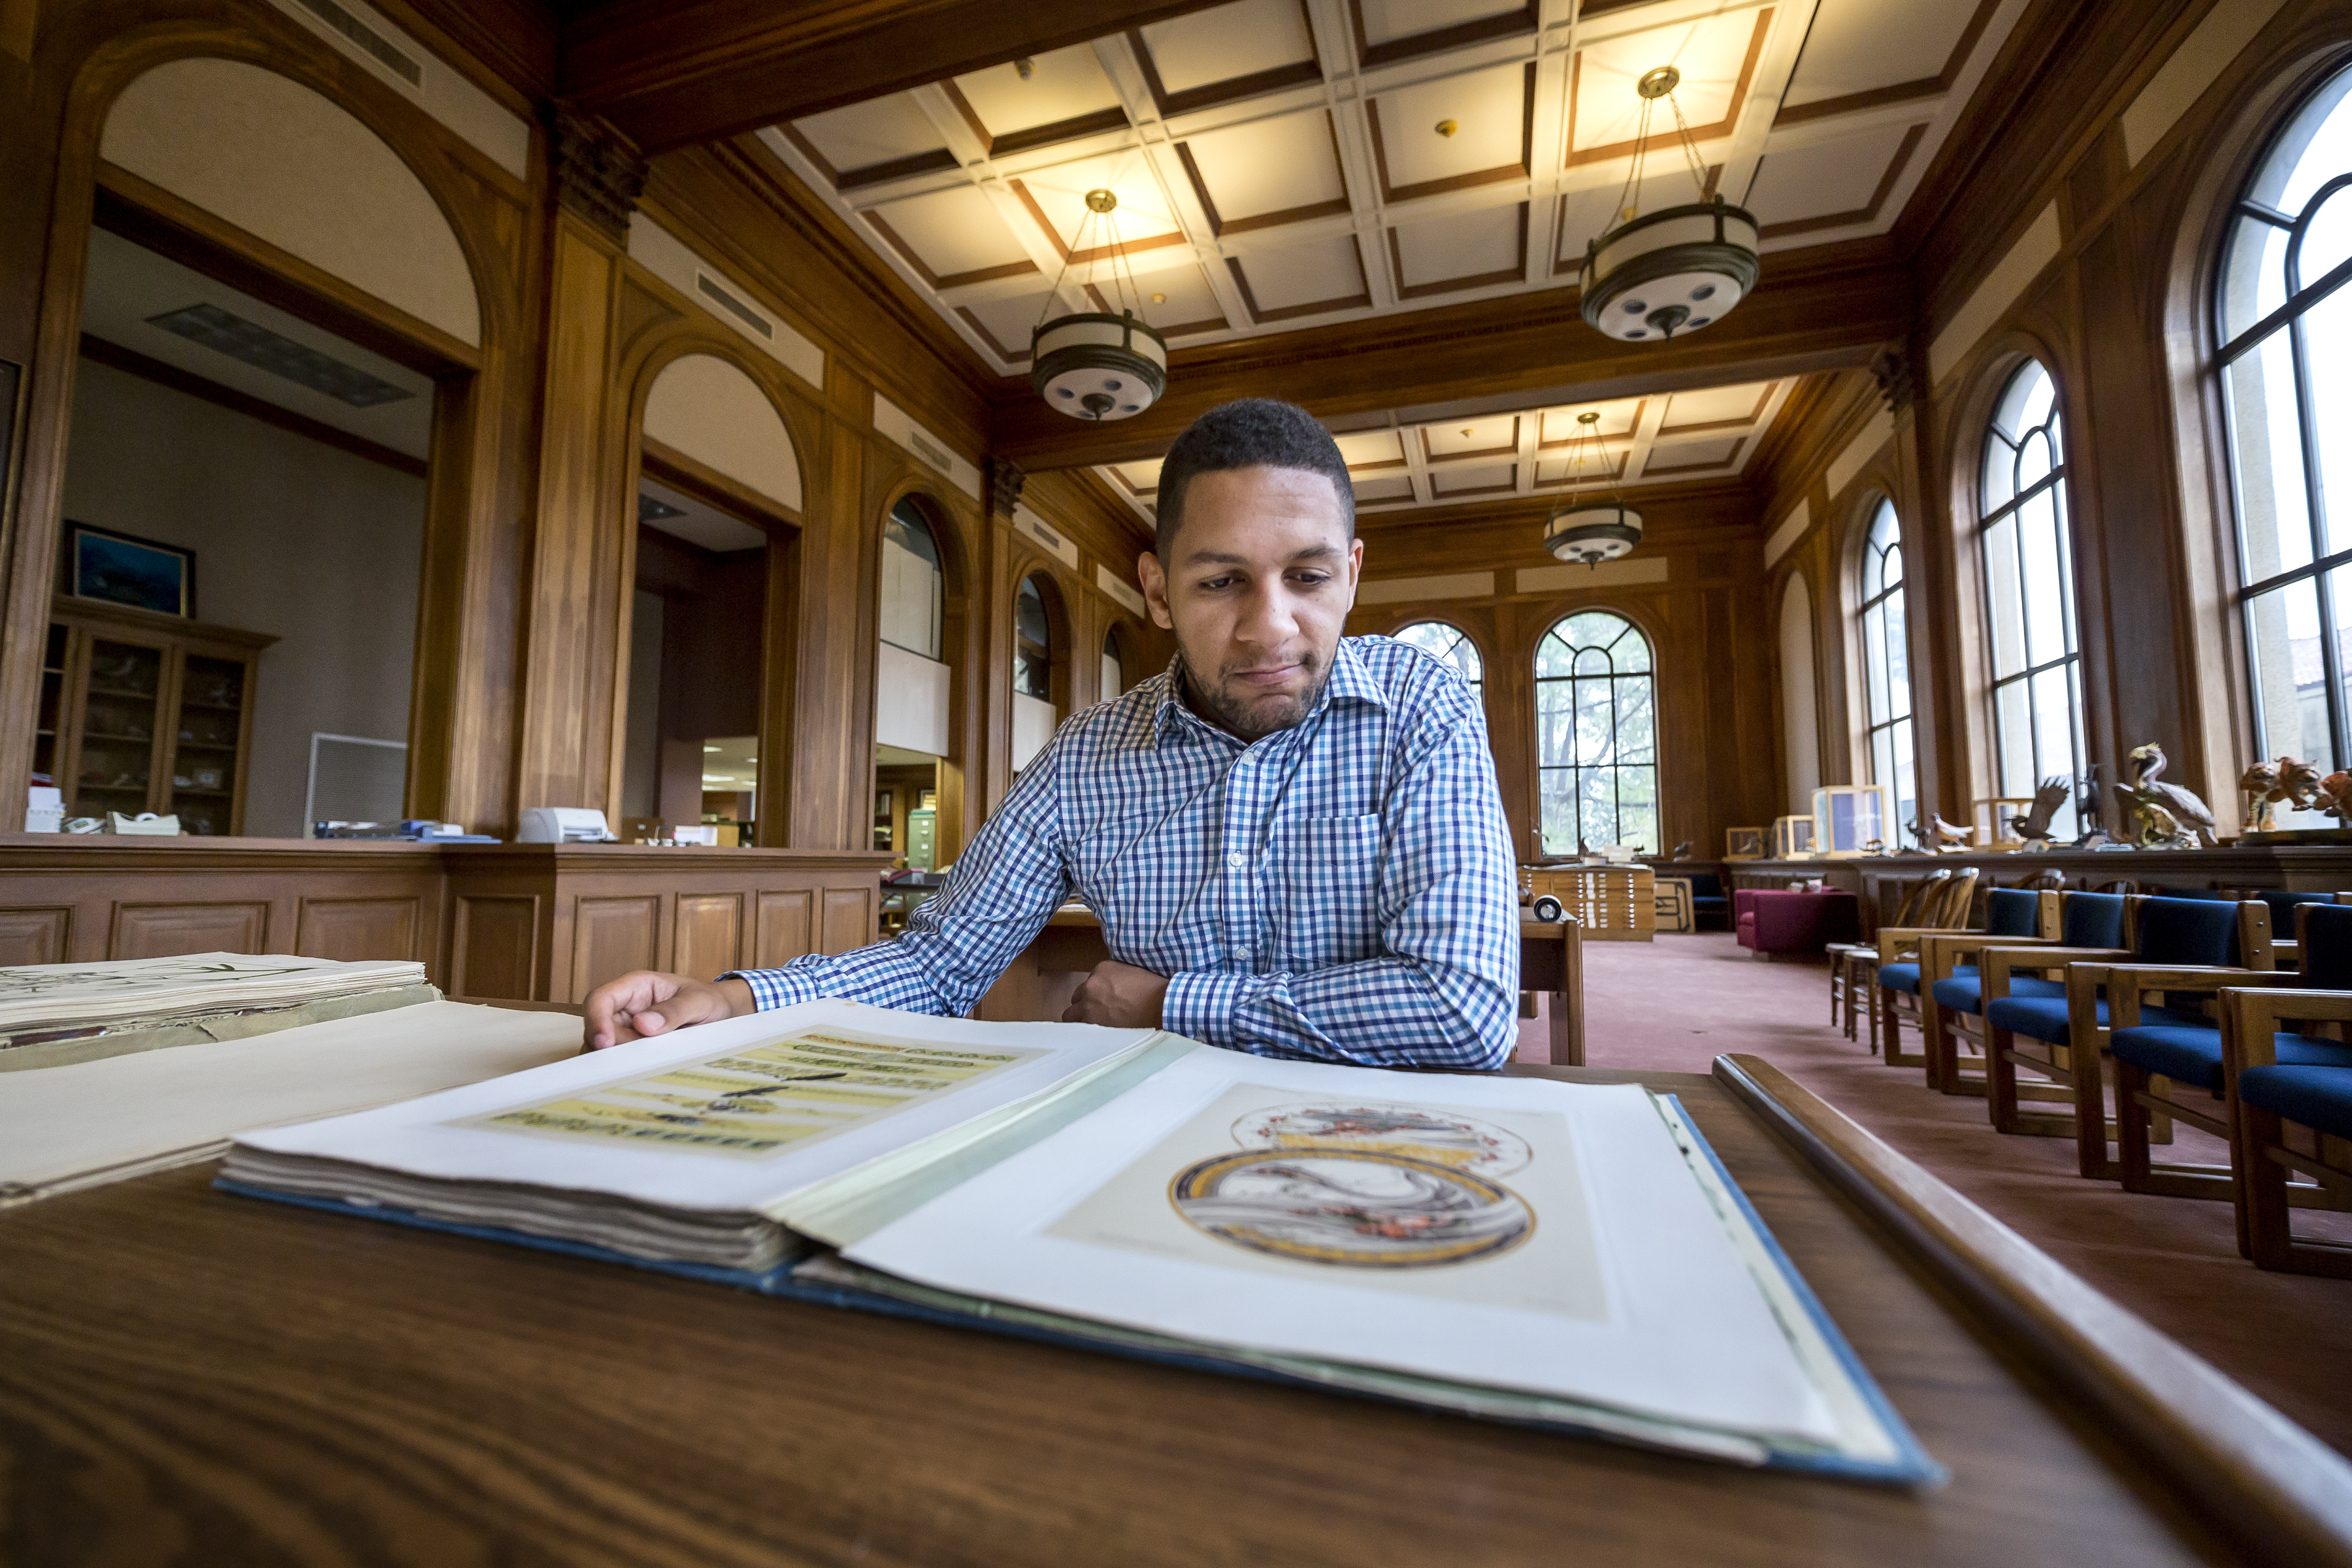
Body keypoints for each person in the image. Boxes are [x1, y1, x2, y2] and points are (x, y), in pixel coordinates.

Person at [583, 398, 1520, 1069]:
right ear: (1156, 589)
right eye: (1220, 581)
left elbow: (1464, 1012)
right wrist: (736, 1000)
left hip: (1389, 1156)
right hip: (1148, 1150)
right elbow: (939, 961)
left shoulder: (1421, 707)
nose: (1269, 626)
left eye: (1307, 579)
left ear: (1352, 574)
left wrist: (1165, 1002)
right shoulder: (1088, 756)